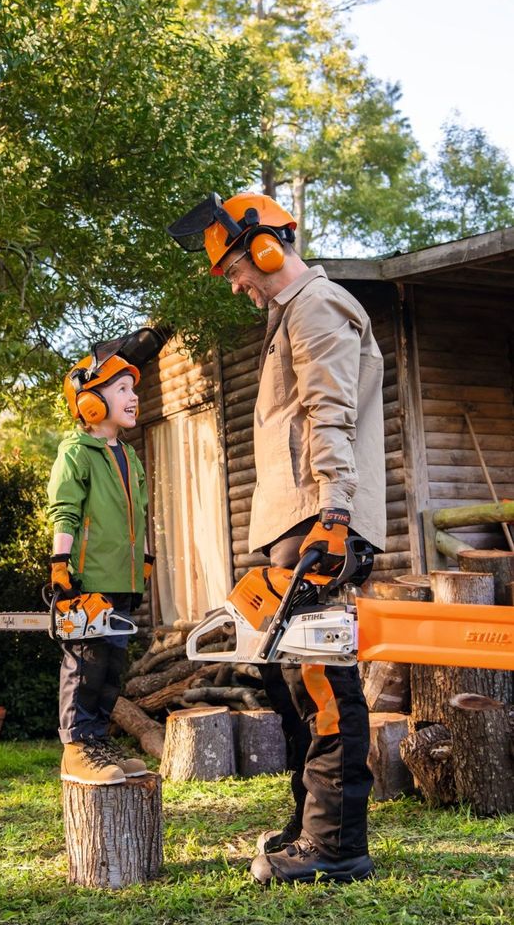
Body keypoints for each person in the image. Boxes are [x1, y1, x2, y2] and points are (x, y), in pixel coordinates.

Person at [166, 192, 386, 884]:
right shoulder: (289, 316)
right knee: (293, 679)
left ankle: (337, 846)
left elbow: (330, 413)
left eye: (236, 270)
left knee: (323, 682)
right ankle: (311, 826)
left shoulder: (317, 307)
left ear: (265, 249)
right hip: (292, 520)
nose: (236, 285)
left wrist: (334, 514)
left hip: (315, 518)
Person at [47, 345, 155, 785]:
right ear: (90, 401)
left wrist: (142, 563)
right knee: (86, 664)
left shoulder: (129, 455)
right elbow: (65, 511)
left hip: (123, 579)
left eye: (133, 389)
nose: (133, 397)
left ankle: (97, 741)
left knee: (111, 669)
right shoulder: (76, 452)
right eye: (122, 389)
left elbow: (140, 513)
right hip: (88, 578)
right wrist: (60, 563)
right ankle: (76, 747)